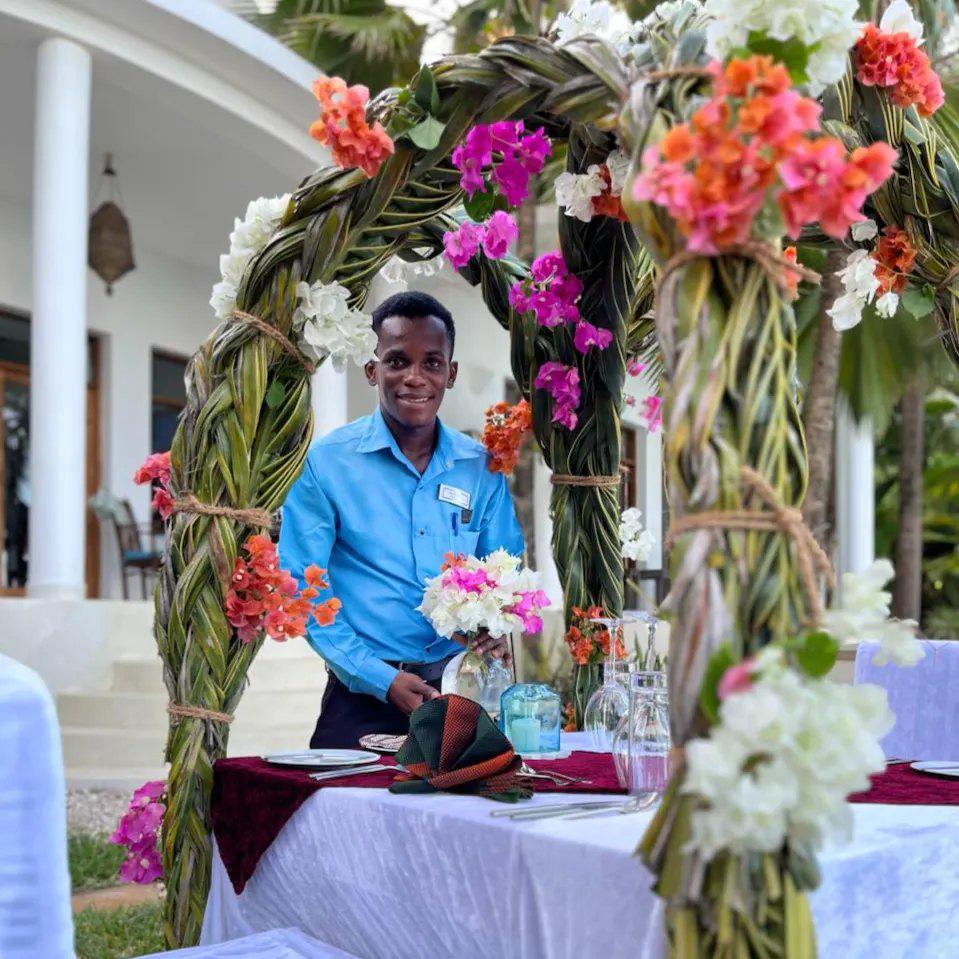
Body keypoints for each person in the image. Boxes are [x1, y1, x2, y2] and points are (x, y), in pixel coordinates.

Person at [280, 291, 524, 748]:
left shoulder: (481, 469)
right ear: (372, 370)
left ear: (450, 373)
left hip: (460, 692)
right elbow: (303, 588)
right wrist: (378, 677)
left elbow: (506, 569)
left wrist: (495, 628)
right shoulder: (326, 464)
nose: (415, 377)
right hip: (360, 698)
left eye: (432, 363)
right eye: (396, 361)